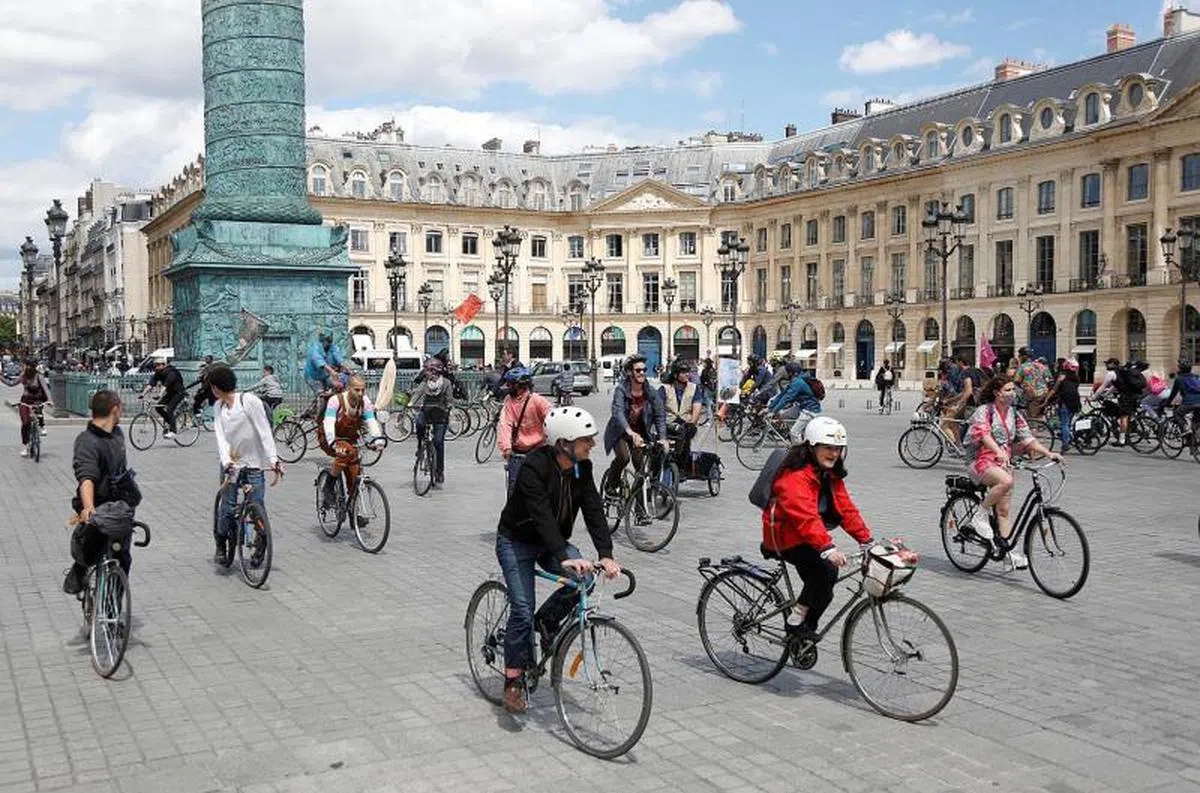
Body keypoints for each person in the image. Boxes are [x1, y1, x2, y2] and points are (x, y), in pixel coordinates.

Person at [495, 406, 621, 714]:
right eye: (585, 440)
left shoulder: (582, 468)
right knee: (522, 611)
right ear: (564, 443)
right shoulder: (534, 467)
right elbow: (541, 517)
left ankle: (547, 620)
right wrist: (565, 556)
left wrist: (606, 555)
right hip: (517, 541)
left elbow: (593, 511)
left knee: (587, 577)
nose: (592, 445)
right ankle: (512, 682)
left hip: (552, 544)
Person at [761, 416, 872, 642]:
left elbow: (845, 508)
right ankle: (795, 624)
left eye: (838, 449)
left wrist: (866, 540)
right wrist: (827, 548)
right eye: (828, 448)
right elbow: (805, 517)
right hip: (784, 537)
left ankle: (802, 634)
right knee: (826, 571)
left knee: (824, 589)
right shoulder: (794, 476)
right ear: (812, 446)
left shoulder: (829, 473)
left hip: (806, 536)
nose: (834, 454)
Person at [965, 374, 1063, 570]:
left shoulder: (1014, 414)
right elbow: (983, 435)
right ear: (996, 393)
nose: (1012, 394)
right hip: (980, 461)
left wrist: (1048, 452)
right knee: (1006, 482)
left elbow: (1028, 439)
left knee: (1003, 512)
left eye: (1013, 390)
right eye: (1008, 390)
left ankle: (1009, 553)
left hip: (1003, 462)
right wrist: (998, 451)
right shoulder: (984, 411)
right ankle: (979, 515)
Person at [63, 390, 139, 595]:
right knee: (91, 548)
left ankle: (112, 607)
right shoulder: (87, 441)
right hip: (97, 505)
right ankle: (79, 569)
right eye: (121, 407)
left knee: (122, 558)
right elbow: (86, 477)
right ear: (115, 409)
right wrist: (88, 507)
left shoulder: (117, 433)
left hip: (120, 505)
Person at [211, 364, 283, 566]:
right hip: (232, 465)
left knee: (257, 505)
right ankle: (221, 542)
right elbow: (221, 437)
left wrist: (273, 459)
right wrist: (227, 462)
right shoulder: (218, 408)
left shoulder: (249, 401)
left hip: (253, 464)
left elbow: (264, 431)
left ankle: (261, 543)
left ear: (216, 387)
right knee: (227, 507)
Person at [603, 354, 668, 494]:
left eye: (644, 370)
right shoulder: (621, 389)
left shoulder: (650, 391)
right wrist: (630, 432)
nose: (642, 373)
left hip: (639, 434)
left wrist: (663, 437)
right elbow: (618, 412)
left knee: (640, 468)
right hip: (619, 432)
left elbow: (660, 414)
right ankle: (610, 485)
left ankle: (639, 509)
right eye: (638, 370)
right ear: (629, 372)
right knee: (623, 458)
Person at [317, 374, 384, 508]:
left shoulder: (364, 402)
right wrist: (332, 441)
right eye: (356, 389)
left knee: (354, 474)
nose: (360, 393)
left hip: (350, 440)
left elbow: (371, 420)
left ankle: (354, 511)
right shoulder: (336, 400)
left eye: (362, 390)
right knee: (345, 452)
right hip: (332, 438)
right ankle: (329, 486)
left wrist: (377, 440)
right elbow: (328, 421)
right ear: (349, 388)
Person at [497, 367, 552, 490]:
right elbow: (505, 424)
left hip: (538, 449)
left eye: (511, 384)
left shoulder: (537, 400)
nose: (508, 386)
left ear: (519, 385)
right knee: (514, 487)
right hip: (517, 452)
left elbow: (552, 419)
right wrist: (506, 448)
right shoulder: (508, 401)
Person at [409, 358, 453, 486]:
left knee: (438, 442)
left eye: (428, 370)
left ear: (435, 371)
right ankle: (420, 445)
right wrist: (411, 402)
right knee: (419, 423)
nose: (426, 372)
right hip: (427, 411)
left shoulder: (446, 383)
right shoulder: (425, 382)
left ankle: (439, 471)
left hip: (440, 414)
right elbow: (418, 393)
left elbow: (449, 399)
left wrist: (449, 406)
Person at [659, 359, 703, 463]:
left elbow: (697, 406)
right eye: (684, 372)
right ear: (675, 375)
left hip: (685, 422)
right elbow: (658, 408)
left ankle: (682, 463)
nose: (687, 374)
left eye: (688, 371)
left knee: (687, 434)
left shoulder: (694, 388)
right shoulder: (665, 388)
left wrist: (692, 422)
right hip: (668, 423)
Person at [766, 364, 821, 441]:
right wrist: (769, 408)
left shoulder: (798, 383)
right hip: (802, 407)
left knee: (794, 433)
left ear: (792, 373)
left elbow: (787, 398)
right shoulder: (795, 381)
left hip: (810, 410)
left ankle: (799, 451)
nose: (784, 374)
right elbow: (782, 395)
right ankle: (791, 436)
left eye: (786, 372)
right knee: (781, 415)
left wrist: (773, 411)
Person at [140, 358, 185, 439]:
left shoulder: (171, 372)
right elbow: (151, 384)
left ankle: (173, 431)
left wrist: (159, 395)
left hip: (179, 393)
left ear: (164, 365)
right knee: (158, 408)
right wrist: (143, 394)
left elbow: (165, 385)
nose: (156, 367)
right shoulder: (158, 373)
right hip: (170, 393)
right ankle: (169, 422)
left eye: (158, 365)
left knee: (170, 409)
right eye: (155, 365)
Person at [17, 360, 53, 457]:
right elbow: (11, 383)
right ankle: (25, 445)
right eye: (25, 367)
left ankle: (41, 426)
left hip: (37, 400)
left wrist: (50, 400)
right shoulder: (23, 376)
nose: (26, 369)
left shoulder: (39, 376)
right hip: (25, 401)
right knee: (25, 423)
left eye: (28, 366)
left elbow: (46, 388)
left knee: (38, 410)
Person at [1046, 358, 1082, 449]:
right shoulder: (1076, 378)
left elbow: (1054, 390)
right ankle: (1070, 438)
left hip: (1065, 402)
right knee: (1068, 423)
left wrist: (1046, 399)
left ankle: (1065, 444)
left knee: (1064, 424)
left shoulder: (1062, 377)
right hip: (1076, 402)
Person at [304, 332, 350, 397]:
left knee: (338, 388)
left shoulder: (332, 347)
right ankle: (320, 404)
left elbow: (338, 358)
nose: (329, 343)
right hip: (313, 377)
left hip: (325, 376)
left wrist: (348, 370)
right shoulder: (315, 348)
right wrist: (332, 371)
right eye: (327, 340)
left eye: (330, 340)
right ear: (323, 340)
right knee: (321, 394)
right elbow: (318, 360)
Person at [1165, 359, 1200, 444]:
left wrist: (1167, 403)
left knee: (1177, 414)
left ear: (1180, 369)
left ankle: (1186, 429)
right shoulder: (1195, 377)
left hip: (1189, 402)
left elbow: (1173, 394)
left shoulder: (1179, 379)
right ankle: (1193, 444)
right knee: (1196, 421)